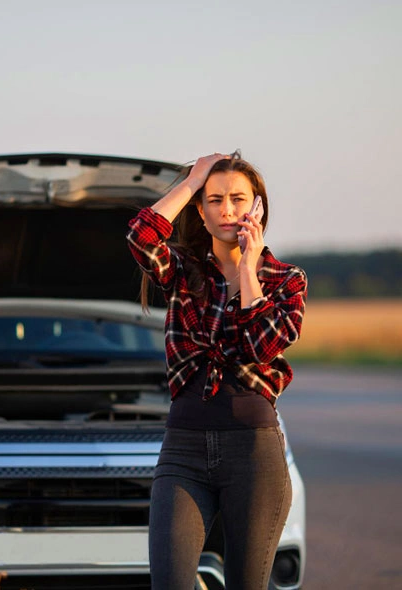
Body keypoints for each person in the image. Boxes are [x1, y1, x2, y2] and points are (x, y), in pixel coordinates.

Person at [126, 152, 308, 589]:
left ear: (257, 206)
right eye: (214, 200)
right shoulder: (184, 271)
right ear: (201, 212)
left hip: (254, 453)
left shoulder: (287, 279)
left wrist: (249, 268)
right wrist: (191, 182)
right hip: (183, 449)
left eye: (238, 199)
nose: (227, 210)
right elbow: (140, 236)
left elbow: (259, 347)